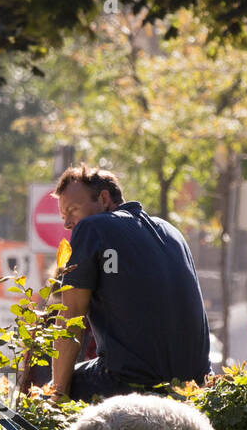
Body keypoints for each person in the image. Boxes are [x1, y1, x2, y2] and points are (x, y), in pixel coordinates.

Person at [49, 165, 210, 402]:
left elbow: (71, 317)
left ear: (104, 198)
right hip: (195, 383)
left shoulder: (92, 228)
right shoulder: (172, 232)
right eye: (63, 216)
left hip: (125, 382)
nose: (67, 224)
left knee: (50, 390)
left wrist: (57, 395)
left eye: (72, 210)